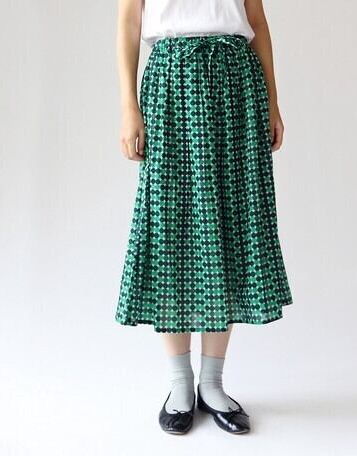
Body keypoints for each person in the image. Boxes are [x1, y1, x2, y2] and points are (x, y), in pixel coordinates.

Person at [115, 0, 293, 435]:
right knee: (169, 229)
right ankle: (180, 383)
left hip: (236, 84)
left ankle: (212, 383)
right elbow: (129, 21)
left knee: (228, 224)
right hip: (171, 84)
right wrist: (129, 106)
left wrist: (272, 102)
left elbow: (256, 21)